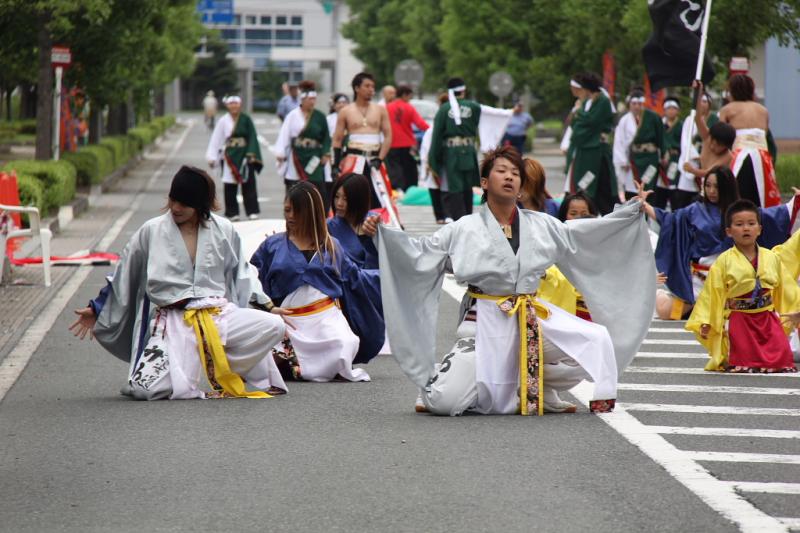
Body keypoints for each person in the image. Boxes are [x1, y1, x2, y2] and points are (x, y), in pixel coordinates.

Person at [371, 145, 656, 416]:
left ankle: (541, 387)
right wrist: (380, 234)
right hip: (483, 319)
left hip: (530, 317)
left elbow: (585, 236)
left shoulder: (542, 225)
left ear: (521, 188)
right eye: (501, 171)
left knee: (597, 340)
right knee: (444, 402)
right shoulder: (462, 229)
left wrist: (628, 212)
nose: (509, 176)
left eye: (516, 173)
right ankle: (447, 377)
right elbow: (420, 254)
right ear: (484, 183)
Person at [68, 166, 289, 400]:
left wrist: (268, 305)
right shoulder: (152, 231)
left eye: (184, 203)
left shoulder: (223, 229)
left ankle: (222, 361)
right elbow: (125, 272)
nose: (175, 208)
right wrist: (98, 308)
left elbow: (242, 273)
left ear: (200, 204)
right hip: (173, 323)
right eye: (173, 200)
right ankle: (182, 364)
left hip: (218, 317)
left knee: (274, 326)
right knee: (145, 390)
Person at [250, 182, 384, 380]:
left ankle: (301, 365)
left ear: (311, 213)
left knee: (344, 343)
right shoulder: (273, 245)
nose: (290, 216)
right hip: (288, 320)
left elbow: (357, 279)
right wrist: (267, 307)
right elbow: (249, 278)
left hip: (325, 320)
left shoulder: (332, 246)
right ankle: (289, 363)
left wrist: (392, 277)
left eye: (297, 211)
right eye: (287, 210)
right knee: (259, 364)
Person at [641, 166, 796, 320]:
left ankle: (708, 307)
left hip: (735, 280)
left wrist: (795, 201)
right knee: (667, 312)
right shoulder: (695, 210)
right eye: (708, 186)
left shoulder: (740, 211)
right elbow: (671, 220)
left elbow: (774, 216)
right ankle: (686, 302)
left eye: (716, 186)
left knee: (745, 311)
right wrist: (645, 205)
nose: (711, 191)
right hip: (701, 280)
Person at [686, 200, 800, 373]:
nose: (746, 228)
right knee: (744, 362)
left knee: (782, 359)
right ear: (729, 232)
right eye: (739, 224)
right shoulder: (724, 261)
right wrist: (706, 321)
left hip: (767, 319)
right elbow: (712, 294)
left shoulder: (771, 257)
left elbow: (786, 288)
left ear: (759, 229)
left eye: (751, 224)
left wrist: (796, 310)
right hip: (740, 319)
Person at [332, 72, 396, 225]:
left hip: (375, 160)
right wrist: (335, 165)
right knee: (349, 194)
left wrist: (380, 158)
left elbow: (388, 136)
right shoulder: (346, 111)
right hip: (353, 159)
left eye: (373, 87)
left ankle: (381, 225)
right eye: (367, 86)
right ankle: (346, 226)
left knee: (380, 196)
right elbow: (337, 139)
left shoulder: (380, 110)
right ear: (356, 88)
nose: (371, 90)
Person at [719, 74, 780, 207]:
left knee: (735, 201)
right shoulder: (763, 110)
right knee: (760, 202)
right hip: (762, 159)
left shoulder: (727, 109)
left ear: (732, 90)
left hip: (737, 158)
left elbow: (720, 138)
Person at [273, 80, 332, 211]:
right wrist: (280, 153)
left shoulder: (320, 116)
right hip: (296, 156)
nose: (312, 102)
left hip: (314, 157)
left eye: (314, 99)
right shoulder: (292, 116)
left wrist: (325, 153)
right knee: (294, 185)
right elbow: (284, 135)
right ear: (303, 99)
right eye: (310, 99)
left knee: (317, 185)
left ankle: (319, 214)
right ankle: (294, 211)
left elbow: (326, 138)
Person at [428, 77, 482, 221]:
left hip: (451, 153)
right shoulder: (475, 107)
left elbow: (437, 136)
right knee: (467, 186)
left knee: (455, 186)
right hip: (469, 151)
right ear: (464, 90)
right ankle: (469, 219)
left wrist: (434, 159)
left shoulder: (444, 109)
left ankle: (459, 220)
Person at [567, 72, 618, 215]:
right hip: (587, 150)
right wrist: (580, 118)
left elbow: (592, 120)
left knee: (602, 188)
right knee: (586, 187)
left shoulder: (603, 100)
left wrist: (579, 114)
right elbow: (575, 123)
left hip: (598, 152)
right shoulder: (588, 101)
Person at [205, 95, 263, 221]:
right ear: (227, 105)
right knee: (230, 185)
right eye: (231, 103)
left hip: (245, 155)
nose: (234, 106)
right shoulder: (223, 121)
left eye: (236, 103)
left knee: (249, 183)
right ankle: (232, 212)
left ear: (240, 104)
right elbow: (216, 138)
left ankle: (252, 211)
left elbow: (252, 137)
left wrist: (252, 153)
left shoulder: (246, 119)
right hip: (230, 155)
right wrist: (212, 156)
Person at [674, 90, 720, 209]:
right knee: (684, 197)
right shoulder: (690, 119)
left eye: (705, 101)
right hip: (692, 159)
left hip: (708, 161)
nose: (702, 104)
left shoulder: (715, 119)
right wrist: (696, 156)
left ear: (709, 104)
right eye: (700, 101)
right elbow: (685, 141)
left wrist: (705, 156)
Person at [328, 173, 379, 270]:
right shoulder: (329, 227)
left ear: (359, 199)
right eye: (337, 197)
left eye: (345, 199)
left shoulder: (373, 221)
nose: (339, 204)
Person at [386, 85, 429, 192]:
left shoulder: (387, 107)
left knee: (394, 168)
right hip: (408, 143)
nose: (409, 99)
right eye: (409, 97)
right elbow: (421, 124)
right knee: (409, 169)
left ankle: (396, 189)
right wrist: (433, 131)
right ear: (404, 95)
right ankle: (409, 190)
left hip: (392, 143)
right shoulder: (409, 107)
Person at [418, 92, 450, 224]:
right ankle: (440, 215)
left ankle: (447, 214)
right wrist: (426, 161)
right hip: (434, 160)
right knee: (434, 184)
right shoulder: (434, 127)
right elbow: (426, 147)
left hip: (449, 160)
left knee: (448, 189)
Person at [613, 89, 645, 201]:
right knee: (631, 189)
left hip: (646, 158)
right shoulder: (624, 121)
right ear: (629, 104)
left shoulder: (649, 119)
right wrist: (623, 161)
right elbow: (619, 141)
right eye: (634, 104)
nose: (637, 107)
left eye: (640, 104)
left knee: (646, 187)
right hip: (629, 160)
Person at [657, 97, 683, 209]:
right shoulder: (659, 125)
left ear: (678, 111)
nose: (671, 111)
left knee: (674, 190)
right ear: (664, 110)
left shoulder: (682, 126)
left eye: (674, 108)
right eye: (668, 108)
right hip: (661, 161)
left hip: (675, 160)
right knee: (660, 190)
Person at [324, 93, 350, 188]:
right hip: (333, 151)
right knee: (331, 179)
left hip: (348, 152)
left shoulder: (351, 117)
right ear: (334, 105)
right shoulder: (328, 119)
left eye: (344, 102)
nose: (342, 105)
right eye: (339, 102)